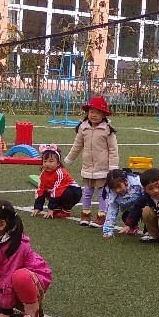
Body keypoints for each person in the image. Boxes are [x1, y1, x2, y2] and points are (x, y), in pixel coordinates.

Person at [66, 95, 118, 226]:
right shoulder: (83, 128)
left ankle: (101, 215)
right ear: (87, 113)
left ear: (104, 115)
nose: (93, 115)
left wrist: (113, 168)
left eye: (98, 113)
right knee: (87, 191)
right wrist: (69, 159)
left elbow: (113, 150)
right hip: (88, 167)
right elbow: (77, 146)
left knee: (102, 193)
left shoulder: (107, 130)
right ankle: (86, 214)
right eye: (91, 112)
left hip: (103, 168)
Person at [32, 144, 82, 218]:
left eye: (51, 161)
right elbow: (40, 190)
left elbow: (57, 191)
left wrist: (50, 209)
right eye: (45, 161)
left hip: (74, 193)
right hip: (57, 191)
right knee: (44, 190)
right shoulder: (43, 174)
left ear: (58, 163)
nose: (47, 164)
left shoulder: (60, 173)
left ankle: (66, 210)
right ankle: (57, 207)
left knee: (65, 192)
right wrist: (37, 207)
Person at [99, 167, 142, 238]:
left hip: (143, 206)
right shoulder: (113, 195)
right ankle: (133, 227)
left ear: (125, 181)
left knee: (147, 212)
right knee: (126, 216)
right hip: (131, 210)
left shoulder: (138, 185)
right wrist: (108, 231)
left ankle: (152, 229)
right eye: (114, 188)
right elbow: (111, 212)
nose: (117, 190)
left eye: (119, 186)